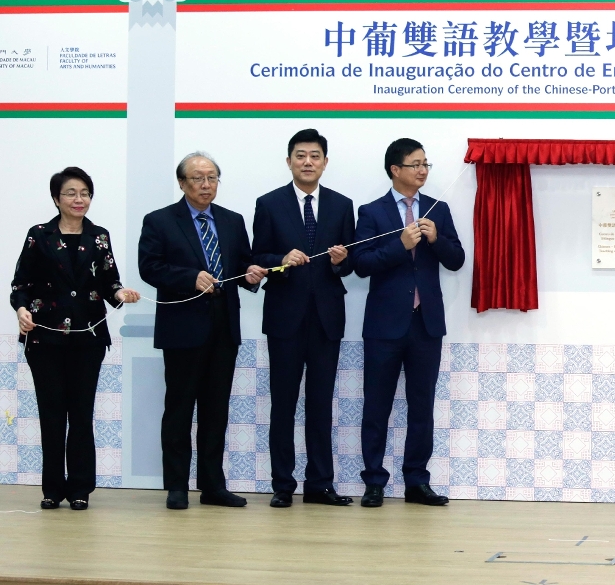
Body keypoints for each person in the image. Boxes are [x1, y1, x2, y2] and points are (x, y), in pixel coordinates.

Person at [138, 152, 267, 510]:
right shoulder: (160, 221)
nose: (205, 184)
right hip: (182, 331)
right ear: (182, 183)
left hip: (224, 329)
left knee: (215, 411)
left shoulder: (232, 220)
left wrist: (252, 275)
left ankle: (213, 486)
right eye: (197, 178)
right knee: (179, 410)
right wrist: (189, 278)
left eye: (211, 177)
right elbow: (150, 268)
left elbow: (240, 265)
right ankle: (177, 486)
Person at [10, 168, 141, 510]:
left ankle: (81, 487)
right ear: (56, 198)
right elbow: (20, 285)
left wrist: (122, 293)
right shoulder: (39, 235)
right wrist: (22, 311)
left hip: (88, 338)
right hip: (44, 339)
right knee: (52, 415)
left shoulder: (99, 236)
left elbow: (110, 282)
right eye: (71, 193)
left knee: (81, 415)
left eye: (85, 193)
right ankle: (52, 489)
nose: (79, 199)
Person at [353, 138, 464, 507]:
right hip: (384, 326)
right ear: (395, 170)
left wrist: (435, 240)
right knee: (377, 406)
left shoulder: (439, 209)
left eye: (426, 164)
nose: (423, 170)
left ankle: (417, 481)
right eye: (415, 164)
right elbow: (362, 264)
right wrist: (400, 244)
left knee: (422, 405)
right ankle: (373, 482)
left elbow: (457, 260)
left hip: (426, 325)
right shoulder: (371, 212)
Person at [251, 129, 356, 508]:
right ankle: (283, 484)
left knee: (320, 403)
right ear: (289, 161)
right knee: (283, 403)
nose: (307, 162)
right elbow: (256, 255)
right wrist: (279, 259)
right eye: (300, 155)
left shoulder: (342, 205)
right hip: (284, 317)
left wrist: (344, 262)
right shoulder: (269, 203)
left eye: (315, 156)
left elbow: (351, 264)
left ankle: (320, 483)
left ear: (325, 162)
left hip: (327, 318)